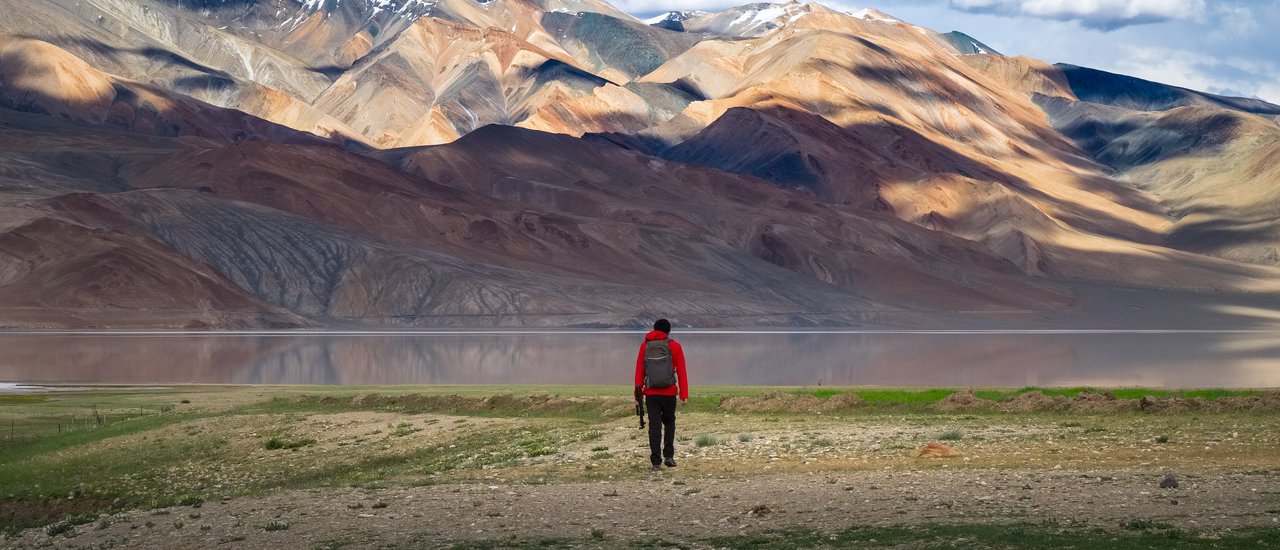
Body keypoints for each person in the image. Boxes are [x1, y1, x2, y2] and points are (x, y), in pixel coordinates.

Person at [634, 319, 688, 471]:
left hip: (651, 393)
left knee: (654, 426)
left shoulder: (645, 346)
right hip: (669, 392)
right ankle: (669, 456)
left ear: (654, 329)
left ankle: (656, 462)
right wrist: (684, 394)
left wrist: (637, 395)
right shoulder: (675, 346)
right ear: (668, 331)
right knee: (669, 422)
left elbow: (639, 371)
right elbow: (682, 372)